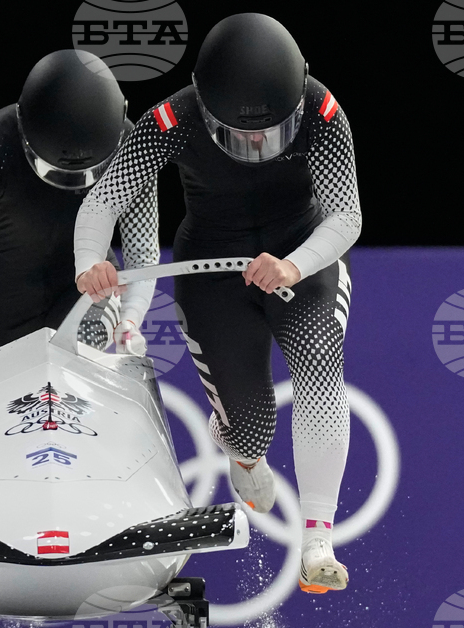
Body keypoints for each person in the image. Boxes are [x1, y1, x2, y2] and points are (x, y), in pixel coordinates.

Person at [74, 14, 361, 594]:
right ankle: (244, 454)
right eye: (238, 134)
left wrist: (293, 264)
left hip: (300, 257)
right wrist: (90, 263)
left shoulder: (323, 110)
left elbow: (346, 216)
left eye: (271, 133)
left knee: (318, 362)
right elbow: (102, 203)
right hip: (211, 269)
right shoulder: (170, 120)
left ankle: (317, 540)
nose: (256, 146)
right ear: (207, 108)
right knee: (251, 429)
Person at [0, 49, 159, 363]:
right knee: (7, 400)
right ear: (25, 132)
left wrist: (130, 320)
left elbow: (142, 249)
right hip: (4, 296)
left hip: (88, 286)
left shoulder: (134, 150)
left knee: (71, 366)